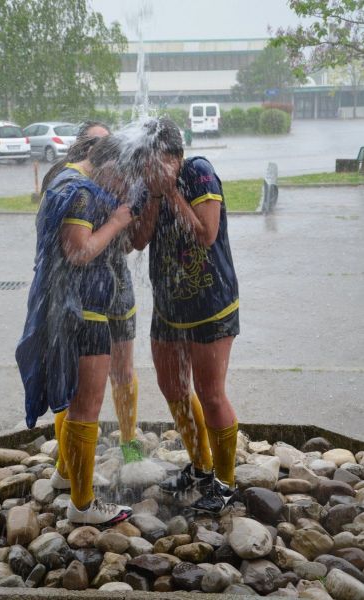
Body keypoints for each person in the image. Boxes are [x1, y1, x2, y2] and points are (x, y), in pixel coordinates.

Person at [16, 135, 135, 526]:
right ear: (109, 167)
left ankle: (67, 476)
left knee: (75, 401)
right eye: (124, 178)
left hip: (73, 309)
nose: (124, 189)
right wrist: (117, 222)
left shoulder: (67, 179)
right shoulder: (82, 193)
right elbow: (79, 250)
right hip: (83, 314)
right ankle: (83, 506)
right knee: (87, 407)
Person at [132, 117, 240, 514]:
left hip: (211, 303)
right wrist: (155, 196)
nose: (148, 169)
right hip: (168, 305)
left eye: (154, 160)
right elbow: (138, 240)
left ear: (174, 156)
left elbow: (206, 233)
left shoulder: (198, 172)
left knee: (211, 394)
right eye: (143, 161)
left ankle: (226, 485)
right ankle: (199, 467)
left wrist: (172, 193)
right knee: (172, 388)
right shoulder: (148, 187)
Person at [43, 121, 143, 466]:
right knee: (80, 385)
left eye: (106, 143)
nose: (99, 150)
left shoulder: (114, 182)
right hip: (83, 295)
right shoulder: (71, 182)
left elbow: (131, 243)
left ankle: (130, 447)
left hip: (118, 287)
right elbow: (71, 248)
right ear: (83, 149)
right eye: (93, 144)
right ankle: (67, 463)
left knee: (123, 371)